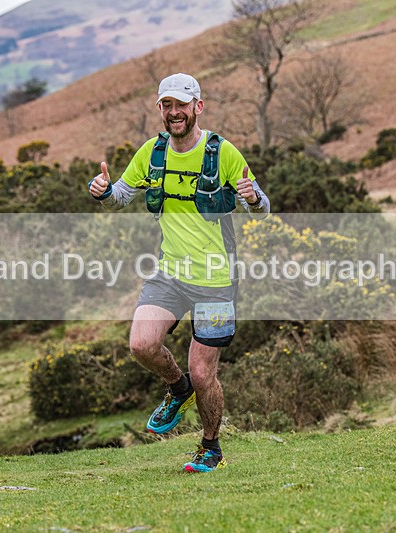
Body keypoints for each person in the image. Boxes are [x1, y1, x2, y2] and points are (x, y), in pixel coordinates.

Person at [88, 73, 270, 473]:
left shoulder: (222, 153)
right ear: (160, 109)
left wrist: (253, 198)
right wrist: (103, 191)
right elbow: (121, 196)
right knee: (141, 345)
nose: (174, 112)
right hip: (169, 274)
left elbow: (262, 205)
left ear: (197, 107)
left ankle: (211, 447)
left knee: (204, 373)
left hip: (216, 282)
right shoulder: (152, 153)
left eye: (181, 105)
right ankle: (177, 388)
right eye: (167, 105)